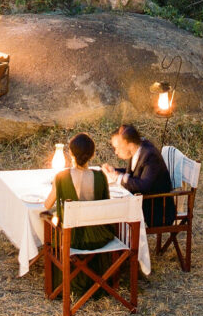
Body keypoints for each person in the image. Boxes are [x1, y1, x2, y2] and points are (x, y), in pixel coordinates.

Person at [42, 133, 116, 295]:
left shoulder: (61, 177)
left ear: (71, 154)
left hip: (72, 239)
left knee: (48, 218)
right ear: (93, 154)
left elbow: (47, 205)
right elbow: (104, 206)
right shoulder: (100, 177)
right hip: (99, 238)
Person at [105, 124, 176, 228]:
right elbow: (135, 173)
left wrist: (117, 177)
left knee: (113, 209)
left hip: (156, 210)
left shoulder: (150, 155)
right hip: (144, 202)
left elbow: (143, 185)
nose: (116, 152)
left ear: (129, 144)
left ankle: (125, 240)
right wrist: (114, 171)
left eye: (117, 148)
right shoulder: (138, 149)